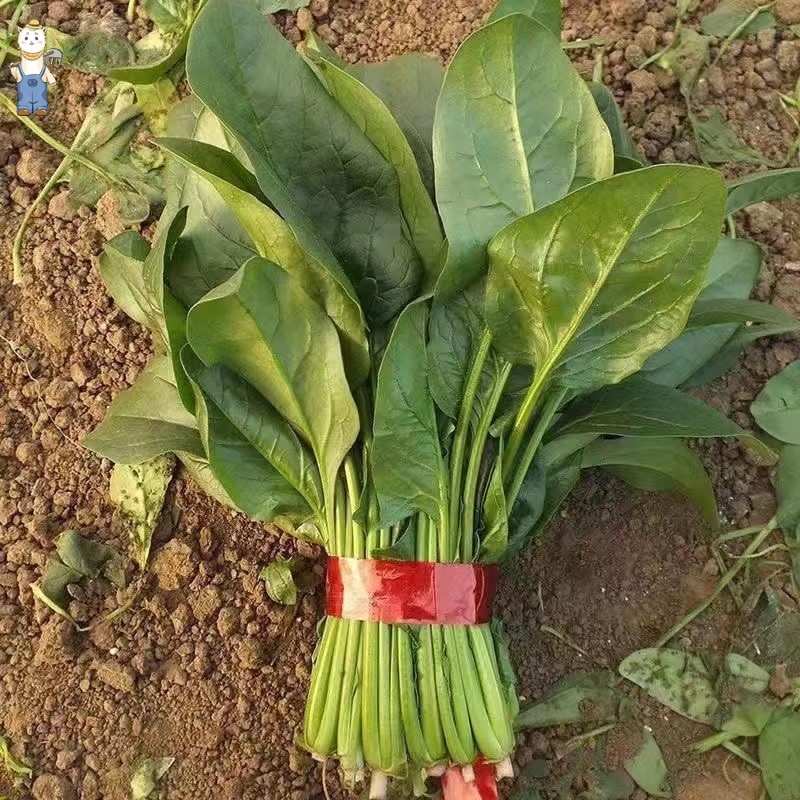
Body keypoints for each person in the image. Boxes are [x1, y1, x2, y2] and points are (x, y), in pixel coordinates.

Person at [11, 20, 57, 117]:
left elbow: (46, 71)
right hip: (25, 78)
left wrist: (52, 80)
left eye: (36, 38)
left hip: (39, 77)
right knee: (24, 94)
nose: (31, 41)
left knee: (40, 94)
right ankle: (24, 107)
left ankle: (40, 107)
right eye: (27, 38)